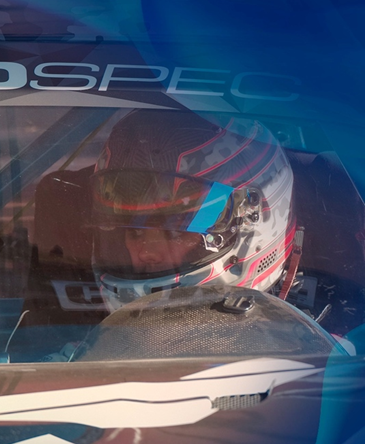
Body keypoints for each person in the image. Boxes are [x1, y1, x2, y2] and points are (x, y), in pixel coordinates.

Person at [89, 110, 296, 310]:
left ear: (254, 220)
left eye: (175, 232)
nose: (146, 253)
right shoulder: (82, 322)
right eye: (135, 232)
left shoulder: (306, 333)